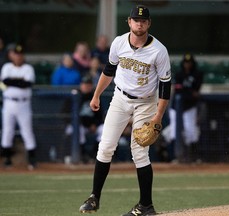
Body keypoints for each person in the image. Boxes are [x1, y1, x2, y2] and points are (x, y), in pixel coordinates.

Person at [79, 5, 171, 216]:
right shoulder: (119, 42)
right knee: (105, 146)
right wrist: (95, 95)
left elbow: (166, 85)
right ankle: (94, 197)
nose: (139, 23)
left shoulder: (159, 50)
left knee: (139, 152)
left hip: (146, 102)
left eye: (143, 20)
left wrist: (158, 115)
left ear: (148, 23)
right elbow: (108, 71)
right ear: (129, 22)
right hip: (120, 98)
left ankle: (146, 205)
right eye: (135, 20)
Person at [0, 44, 37, 170]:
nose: (18, 57)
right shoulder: (6, 67)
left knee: (26, 131)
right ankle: (7, 159)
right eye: (16, 54)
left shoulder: (28, 68)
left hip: (23, 103)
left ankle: (32, 160)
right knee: (7, 131)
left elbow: (26, 84)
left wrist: (13, 81)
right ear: (12, 56)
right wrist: (18, 81)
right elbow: (5, 81)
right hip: (9, 103)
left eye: (20, 54)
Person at [169, 53, 203, 163]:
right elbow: (178, 89)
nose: (187, 65)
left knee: (191, 131)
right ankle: (174, 157)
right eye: (185, 62)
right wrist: (189, 92)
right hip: (176, 107)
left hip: (189, 107)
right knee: (174, 130)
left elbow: (196, 91)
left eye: (189, 63)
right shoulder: (179, 74)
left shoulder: (197, 74)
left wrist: (186, 91)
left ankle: (194, 157)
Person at [62, 75, 104, 163]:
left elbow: (100, 115)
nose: (86, 86)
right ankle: (82, 156)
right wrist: (80, 123)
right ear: (81, 85)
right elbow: (65, 114)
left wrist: (95, 124)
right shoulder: (73, 96)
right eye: (85, 84)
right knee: (79, 130)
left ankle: (94, 156)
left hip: (91, 126)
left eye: (89, 84)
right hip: (77, 125)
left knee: (103, 130)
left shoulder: (95, 97)